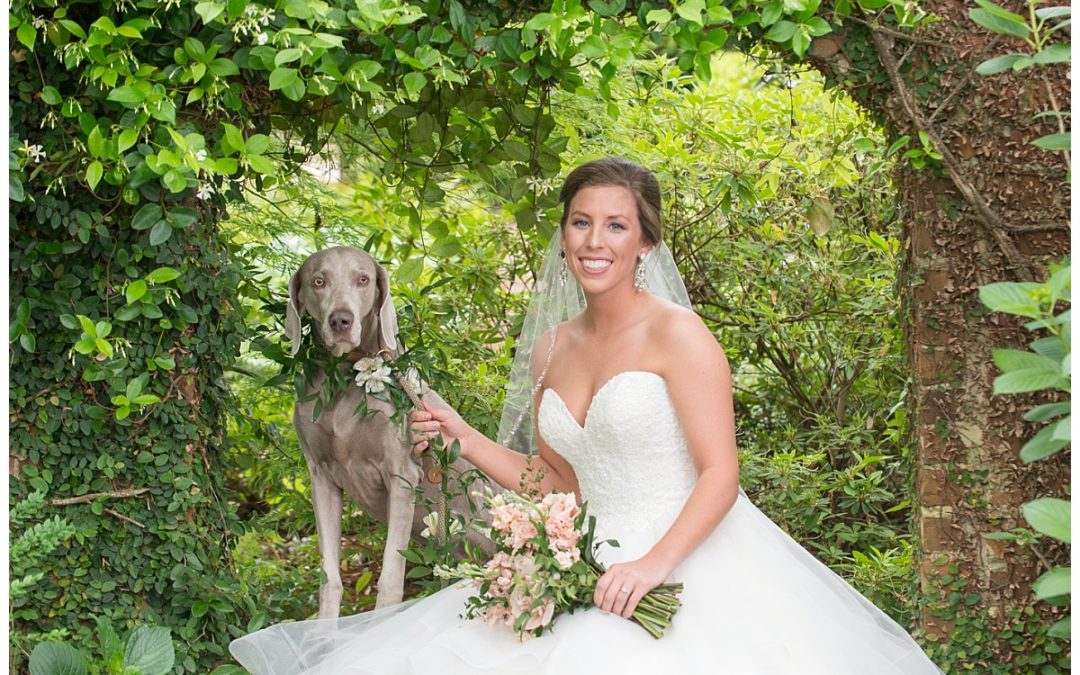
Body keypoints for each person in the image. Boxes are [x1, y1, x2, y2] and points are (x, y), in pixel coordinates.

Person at [231, 157, 943, 674]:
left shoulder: (679, 336)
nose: (594, 241)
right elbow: (554, 482)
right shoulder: (552, 347)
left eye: (615, 225)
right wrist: (465, 437)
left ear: (646, 242)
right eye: (581, 222)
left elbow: (721, 475)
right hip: (581, 561)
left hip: (687, 559)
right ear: (564, 236)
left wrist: (653, 566)